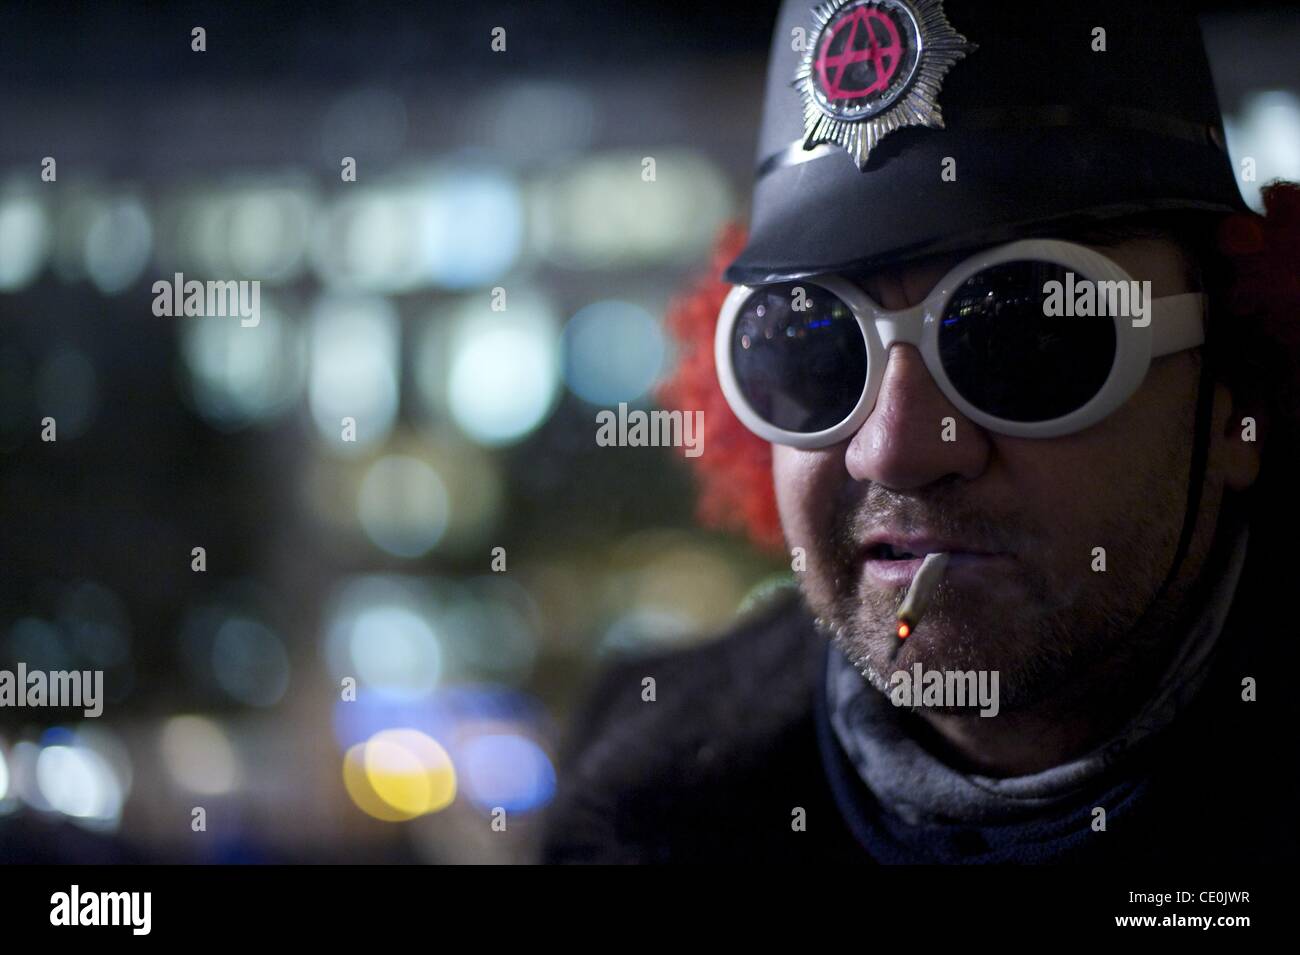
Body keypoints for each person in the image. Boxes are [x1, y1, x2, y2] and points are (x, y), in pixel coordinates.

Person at [541, 0, 1300, 863]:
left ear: (1241, 389)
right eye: (812, 344)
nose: (894, 447)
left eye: (1024, 337)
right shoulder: (648, 794)